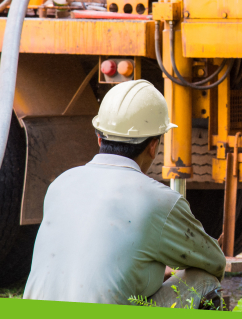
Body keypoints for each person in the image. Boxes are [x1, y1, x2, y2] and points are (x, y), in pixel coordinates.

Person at [23, 80, 226, 308]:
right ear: (153, 146)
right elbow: (215, 263)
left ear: (99, 137)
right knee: (204, 280)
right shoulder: (160, 200)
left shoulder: (60, 183)